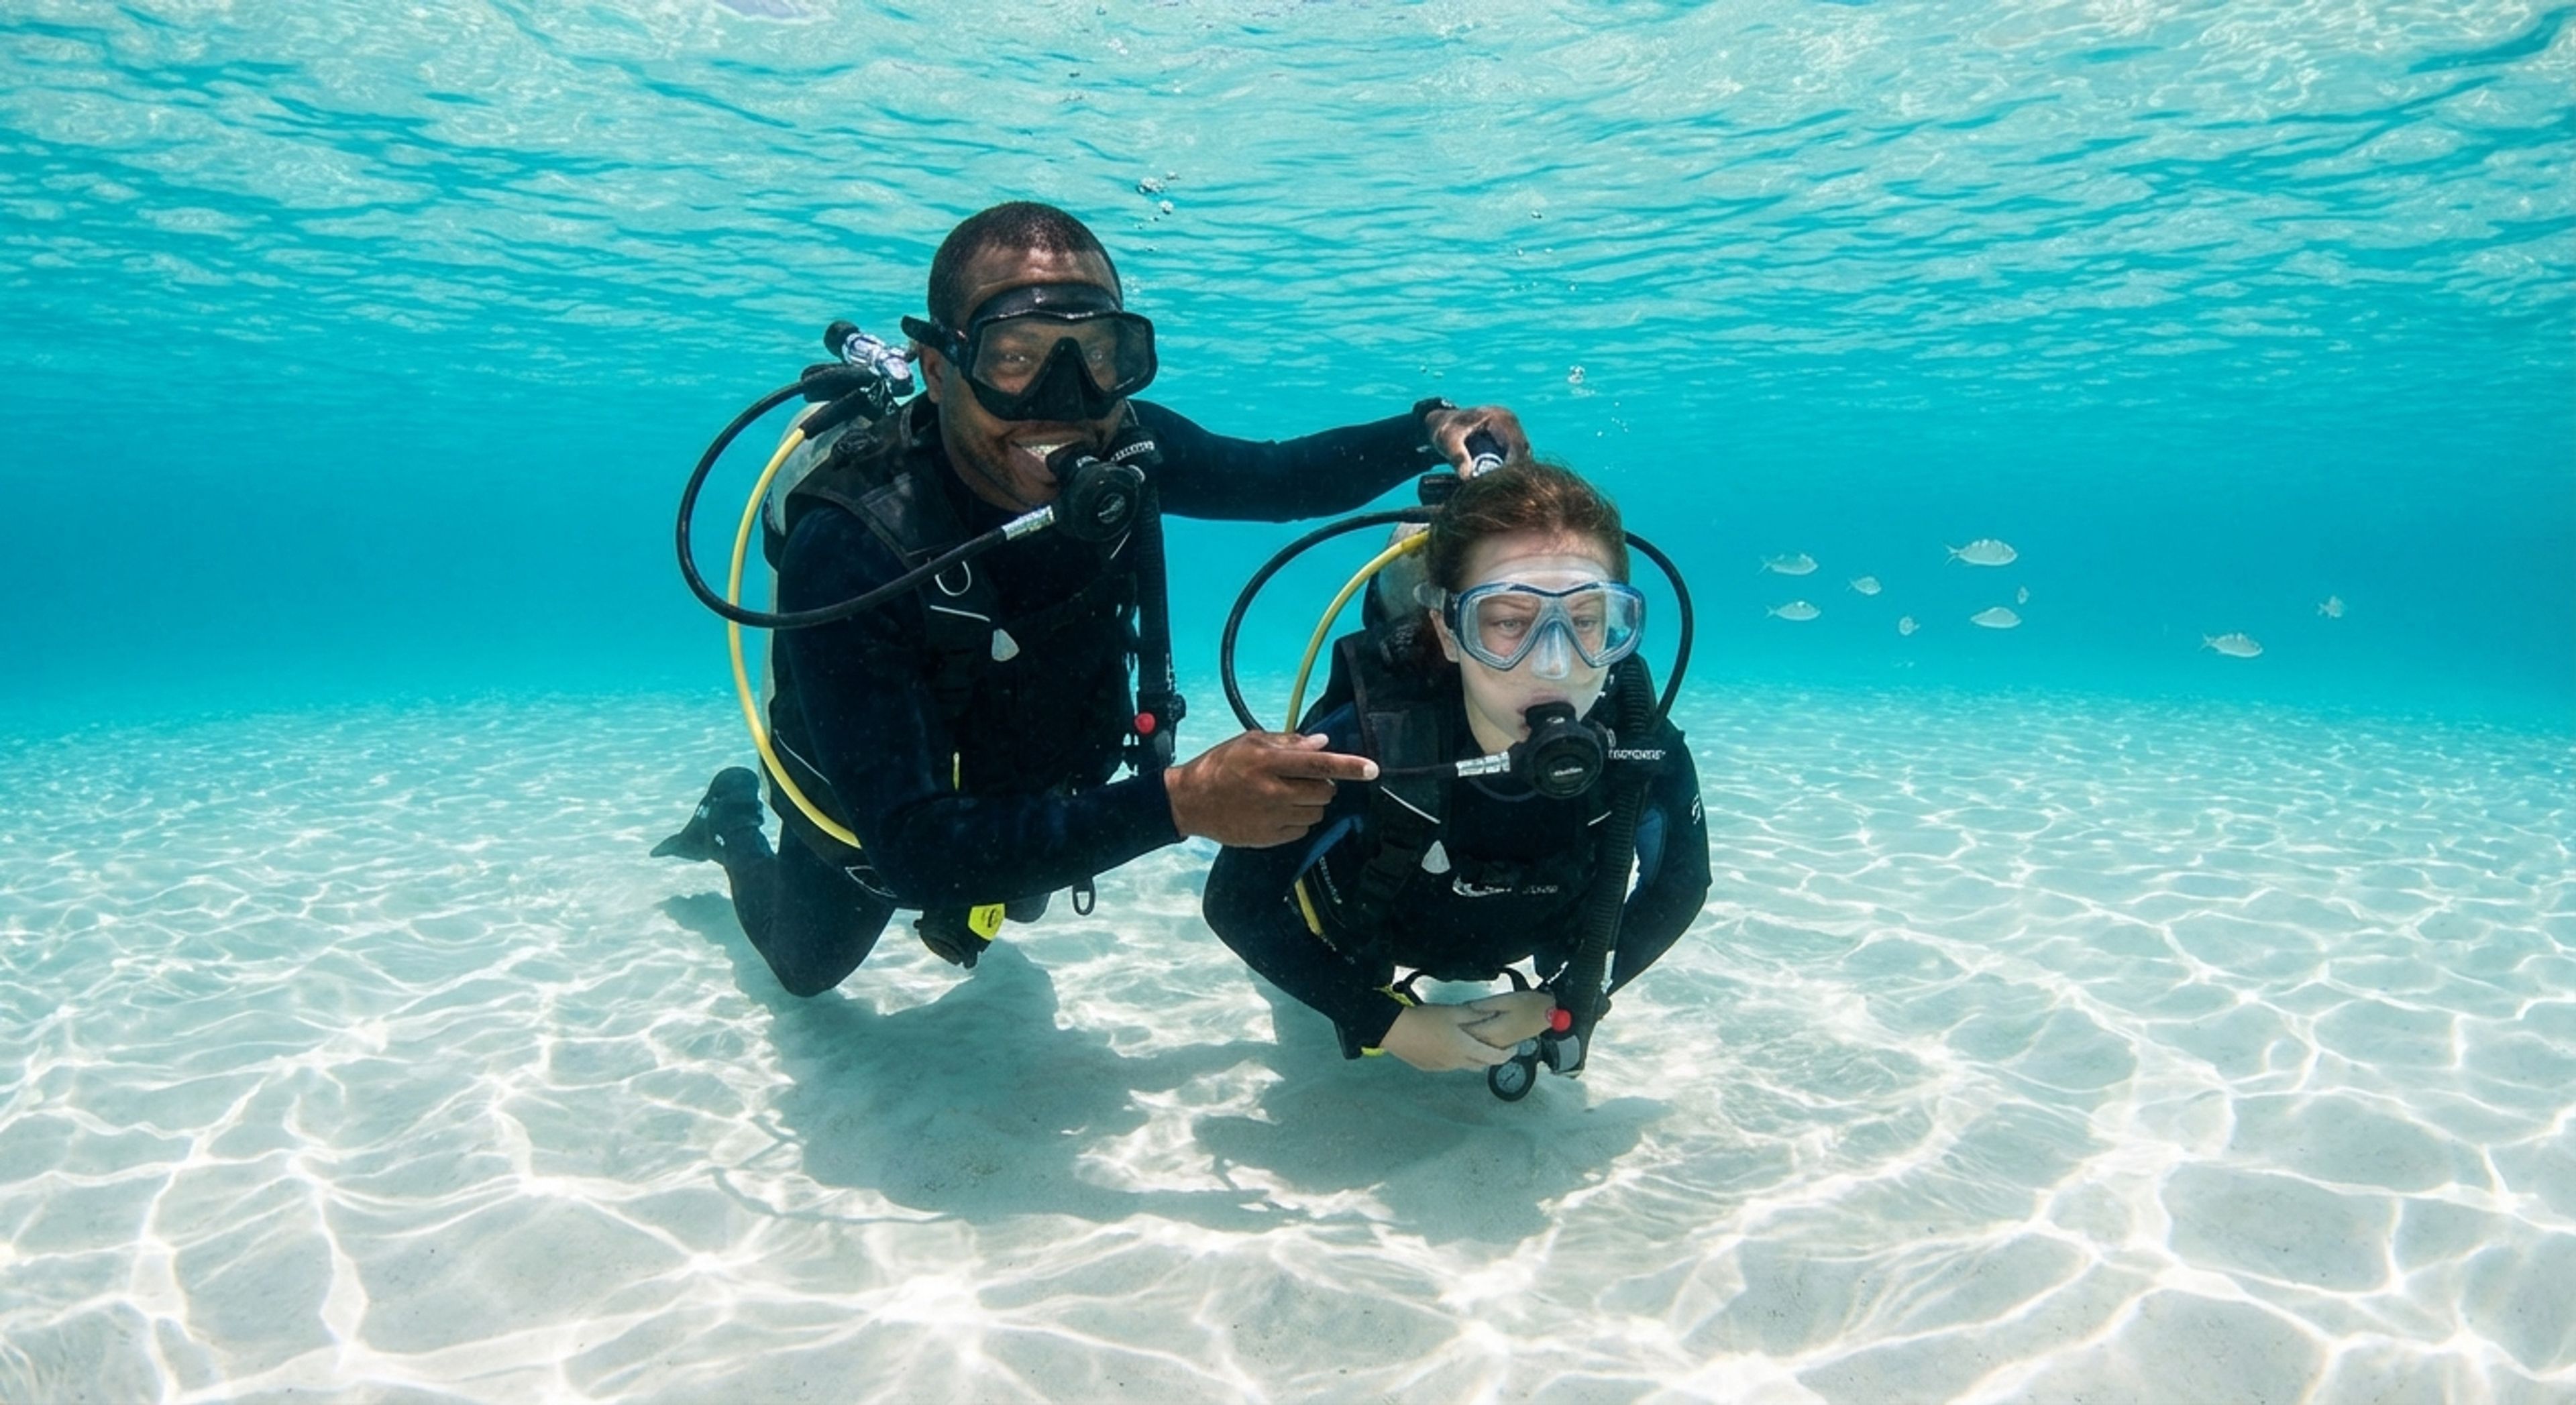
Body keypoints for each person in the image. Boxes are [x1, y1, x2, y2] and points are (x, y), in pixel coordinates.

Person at [653, 201, 1527, 997]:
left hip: (1030, 781)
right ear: (939, 367)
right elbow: (913, 849)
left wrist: (1428, 428)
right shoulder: (853, 543)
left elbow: (1278, 477)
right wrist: (1182, 802)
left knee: (1013, 895)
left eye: (1100, 354)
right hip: (884, 818)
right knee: (806, 970)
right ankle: (731, 821)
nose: (1065, 401)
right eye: (1015, 356)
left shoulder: (1128, 450)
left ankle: (987, 890)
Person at [1200, 460, 1710, 1073]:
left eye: (1585, 621)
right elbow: (1237, 902)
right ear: (1447, 631)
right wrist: (1384, 1022)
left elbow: (1681, 886)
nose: (1554, 664)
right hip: (1369, 934)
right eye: (1509, 622)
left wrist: (1563, 1000)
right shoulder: (1363, 746)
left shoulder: (1639, 746)